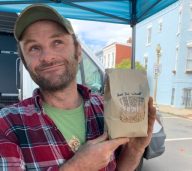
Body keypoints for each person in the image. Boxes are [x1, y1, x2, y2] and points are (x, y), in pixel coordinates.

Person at [0, 4, 156, 171]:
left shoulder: (106, 107)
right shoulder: (7, 124)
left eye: (57, 42)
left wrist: (134, 150)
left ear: (78, 51)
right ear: (25, 61)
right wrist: (77, 167)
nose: (48, 57)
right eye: (34, 48)